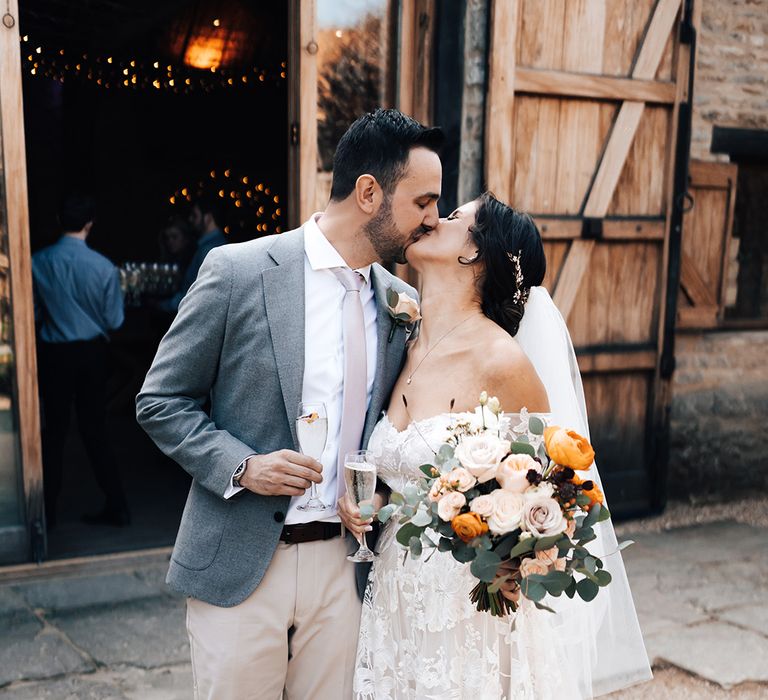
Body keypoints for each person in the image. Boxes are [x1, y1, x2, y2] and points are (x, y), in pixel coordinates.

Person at [135, 108, 443, 699]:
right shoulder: (238, 271)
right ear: (370, 192)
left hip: (344, 569)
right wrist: (243, 466)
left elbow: (394, 427)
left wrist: (376, 494)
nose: (432, 221)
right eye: (423, 202)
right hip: (242, 564)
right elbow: (160, 400)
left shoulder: (404, 303)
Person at [342, 193, 652, 698]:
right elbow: (402, 473)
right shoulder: (404, 341)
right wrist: (374, 503)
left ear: (474, 253)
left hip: (471, 611)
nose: (433, 220)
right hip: (394, 597)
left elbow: (558, 495)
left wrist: (518, 560)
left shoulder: (503, 362)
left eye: (454, 218)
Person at [33, 194, 129, 529]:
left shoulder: (37, 262)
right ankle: (118, 506)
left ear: (60, 220)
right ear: (90, 224)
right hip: (91, 356)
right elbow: (115, 321)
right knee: (95, 431)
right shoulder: (103, 267)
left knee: (53, 434)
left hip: (54, 356)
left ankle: (46, 516)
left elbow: (30, 314)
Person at [164, 196, 227, 311]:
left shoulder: (208, 250)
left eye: (195, 215)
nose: (191, 219)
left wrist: (163, 305)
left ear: (208, 218)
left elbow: (197, 295)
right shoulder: (215, 245)